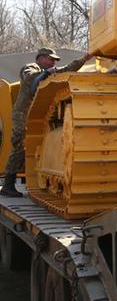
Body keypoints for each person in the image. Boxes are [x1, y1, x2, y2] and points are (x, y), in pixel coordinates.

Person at [1, 48, 91, 197]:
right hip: (22, 115)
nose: (53, 62)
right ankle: (8, 185)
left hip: (33, 116)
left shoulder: (48, 72)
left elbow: (66, 69)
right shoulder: (31, 67)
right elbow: (29, 77)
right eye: (51, 59)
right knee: (19, 146)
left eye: (54, 60)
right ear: (40, 58)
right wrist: (46, 73)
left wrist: (84, 59)